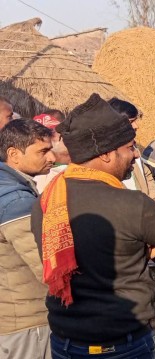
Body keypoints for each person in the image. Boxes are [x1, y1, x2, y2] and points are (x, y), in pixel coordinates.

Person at [30, 94, 155, 359]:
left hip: (65, 342)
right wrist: (145, 248)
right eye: (129, 147)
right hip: (125, 345)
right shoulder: (133, 204)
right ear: (105, 154)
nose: (136, 154)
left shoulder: (46, 202)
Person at [0, 119, 55, 359]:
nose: (52, 157)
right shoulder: (16, 200)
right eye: (43, 151)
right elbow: (45, 266)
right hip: (28, 323)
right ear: (14, 154)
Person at [108, 98, 155, 205]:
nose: (136, 126)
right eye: (131, 122)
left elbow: (146, 174)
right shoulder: (107, 154)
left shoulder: (134, 147)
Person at [32, 111, 70, 193]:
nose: (46, 139)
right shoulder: (37, 175)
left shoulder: (85, 162)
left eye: (51, 132)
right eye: (39, 136)